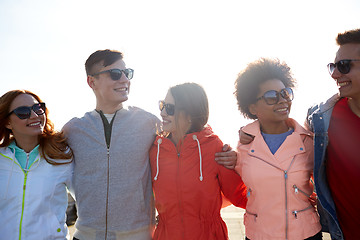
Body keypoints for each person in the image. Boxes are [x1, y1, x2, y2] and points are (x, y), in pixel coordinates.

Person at [62, 49, 238, 240]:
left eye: (127, 73)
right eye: (115, 74)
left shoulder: (149, 123)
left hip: (138, 236)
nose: (124, 79)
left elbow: (191, 143)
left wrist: (233, 154)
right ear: (91, 81)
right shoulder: (73, 130)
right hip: (86, 235)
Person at [234, 58, 322, 240]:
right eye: (271, 96)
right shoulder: (244, 145)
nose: (282, 101)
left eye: (285, 93)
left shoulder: (308, 142)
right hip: (259, 234)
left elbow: (327, 184)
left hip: (305, 234)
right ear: (252, 107)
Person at [149, 82, 247, 240]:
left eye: (170, 108)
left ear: (189, 115)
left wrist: (244, 160)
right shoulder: (155, 150)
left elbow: (241, 195)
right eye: (162, 105)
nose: (163, 113)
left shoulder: (213, 147)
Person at [306, 28, 360, 240]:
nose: (335, 74)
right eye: (333, 66)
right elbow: (287, 142)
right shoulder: (321, 120)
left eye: (344, 66)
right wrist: (248, 138)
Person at [0, 90, 73, 239]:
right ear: (7, 122)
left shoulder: (62, 156)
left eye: (37, 108)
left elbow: (88, 201)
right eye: (23, 112)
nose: (34, 115)